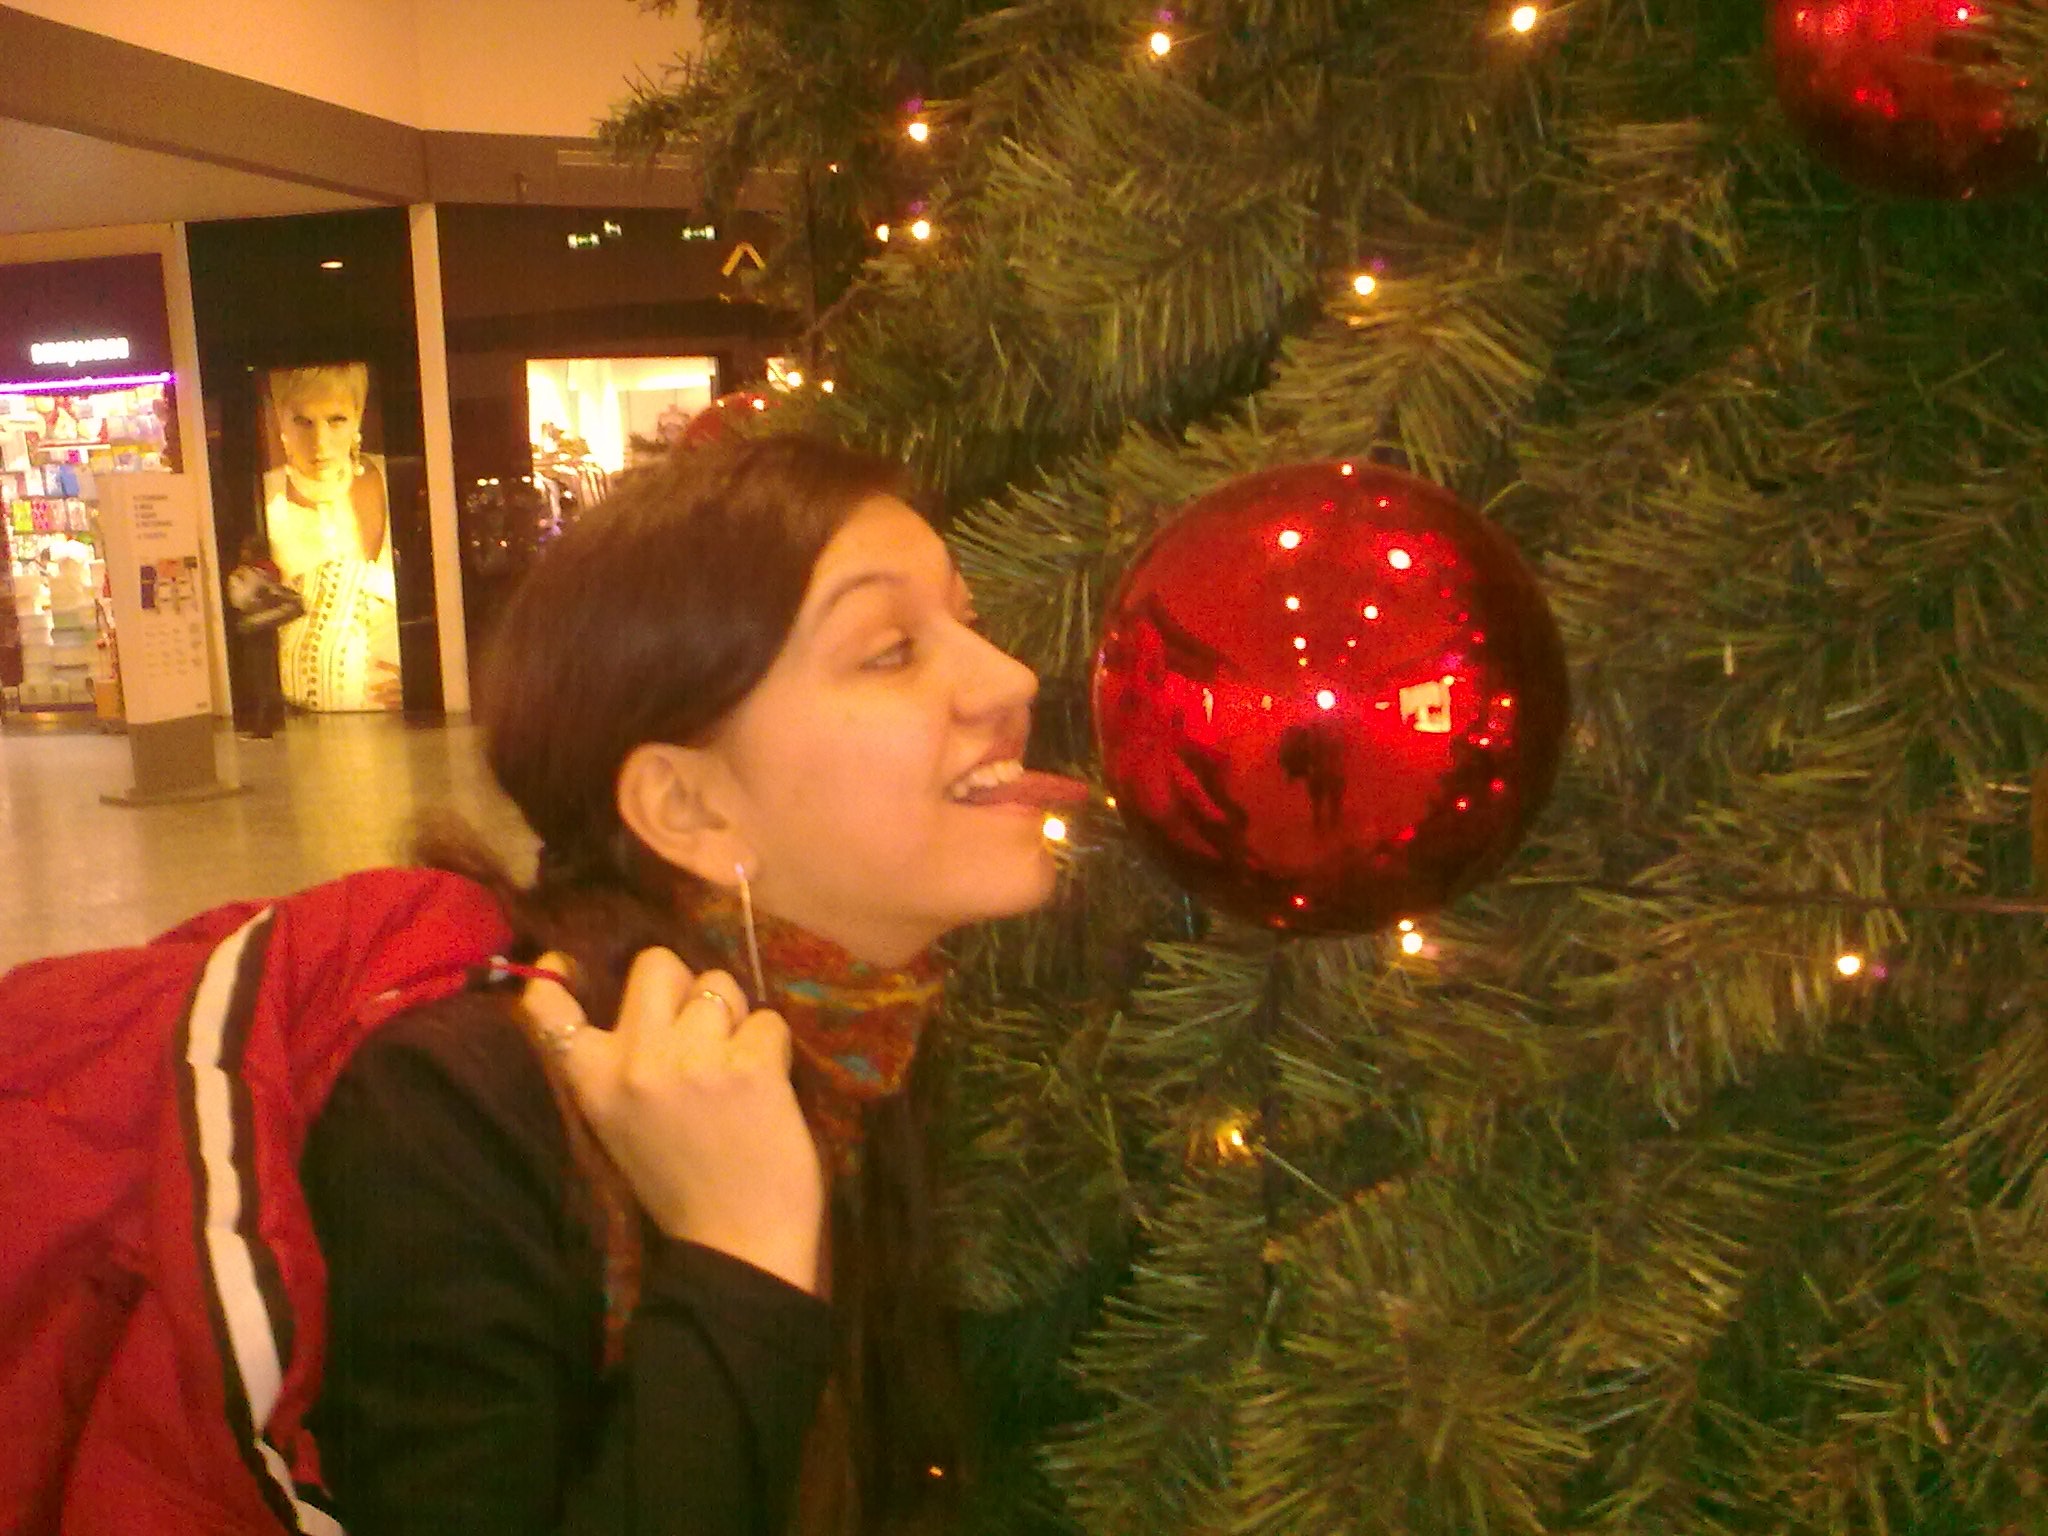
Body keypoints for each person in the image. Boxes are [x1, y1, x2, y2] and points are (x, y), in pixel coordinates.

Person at [300, 434, 1082, 1533]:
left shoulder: (877, 1038)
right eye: (891, 651)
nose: (1010, 679)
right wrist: (740, 1252)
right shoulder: (453, 1113)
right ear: (688, 808)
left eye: (969, 617)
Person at [262, 363, 402, 711]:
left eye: (336, 420)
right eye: (303, 421)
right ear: (280, 419)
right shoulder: (261, 501)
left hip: (408, 723)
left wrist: (427, 678)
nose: (320, 443)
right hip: (299, 725)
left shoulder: (401, 480)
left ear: (358, 417)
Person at [224, 534, 291, 738]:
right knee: (267, 675)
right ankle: (272, 720)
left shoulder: (246, 575)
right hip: (270, 626)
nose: (242, 553)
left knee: (259, 678)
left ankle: (263, 726)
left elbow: (242, 601)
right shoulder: (273, 571)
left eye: (246, 549)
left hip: (254, 628)